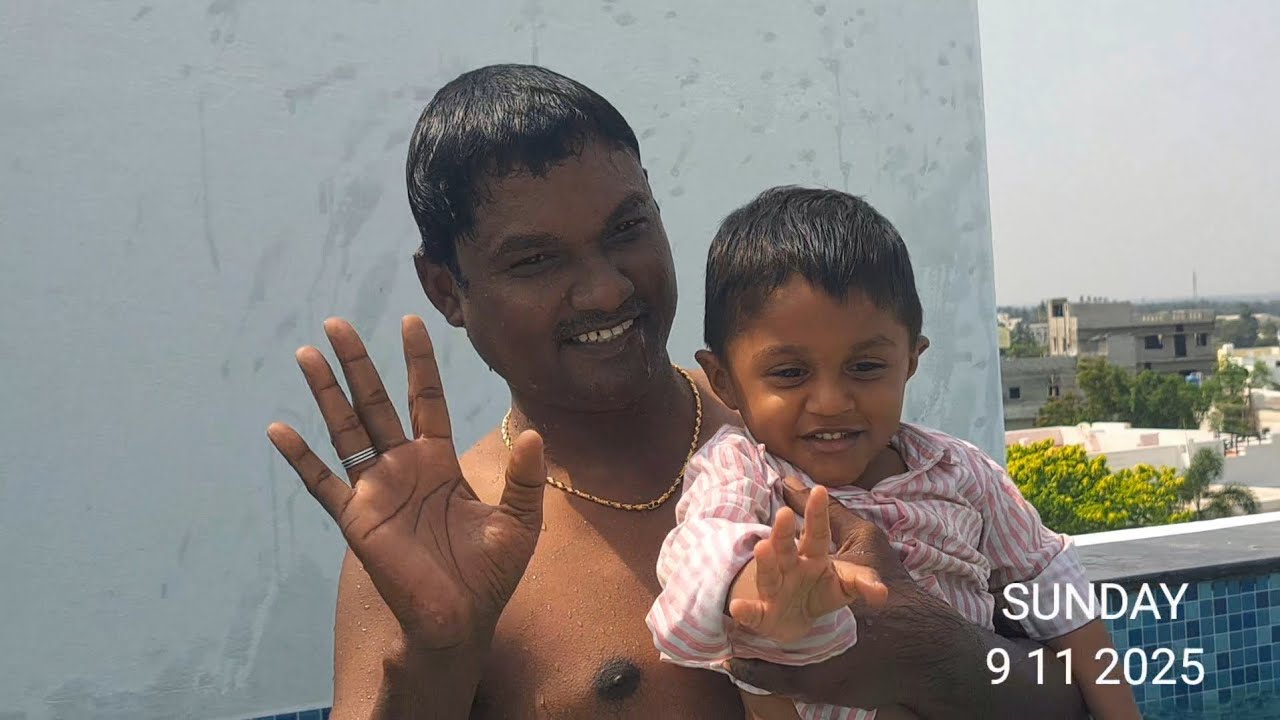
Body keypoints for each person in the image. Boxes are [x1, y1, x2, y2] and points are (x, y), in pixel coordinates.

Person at [265, 64, 1091, 719]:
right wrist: (440, 654)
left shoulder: (809, 429)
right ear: (446, 289)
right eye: (536, 260)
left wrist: (931, 651)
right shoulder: (441, 540)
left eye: (627, 229)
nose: (603, 290)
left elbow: (1073, 700)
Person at [645, 187, 1141, 719]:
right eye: (790, 373)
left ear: (910, 359)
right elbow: (702, 545)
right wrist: (758, 587)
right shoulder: (744, 471)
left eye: (866, 367)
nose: (832, 402)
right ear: (723, 379)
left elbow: (1057, 591)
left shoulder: (960, 471)